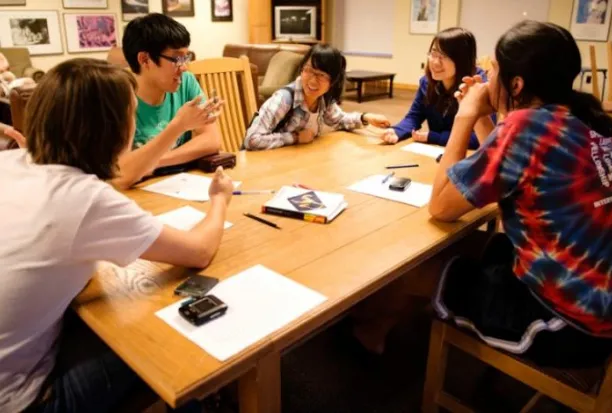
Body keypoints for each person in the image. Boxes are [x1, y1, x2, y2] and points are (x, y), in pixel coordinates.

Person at [0, 58, 234, 412]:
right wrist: (219, 200)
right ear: (111, 127)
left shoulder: (11, 163)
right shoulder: (85, 198)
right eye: (131, 113)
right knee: (166, 335)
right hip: (25, 401)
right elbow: (199, 251)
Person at [429, 20, 612, 367]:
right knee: (496, 247)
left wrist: (466, 115)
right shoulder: (585, 118)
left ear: (516, 84)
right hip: (603, 304)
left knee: (440, 266)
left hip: (567, 327)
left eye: (494, 71)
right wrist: (493, 117)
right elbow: (501, 171)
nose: (488, 80)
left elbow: (441, 205)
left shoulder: (527, 127)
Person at [116, 13, 224, 189]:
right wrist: (179, 125)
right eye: (177, 59)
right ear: (145, 60)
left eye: (186, 57)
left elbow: (211, 140)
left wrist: (150, 162)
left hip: (179, 186)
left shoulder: (185, 82)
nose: (184, 67)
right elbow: (121, 174)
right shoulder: (119, 97)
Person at [244, 44, 390, 151]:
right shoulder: (283, 99)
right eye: (308, 71)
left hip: (296, 163)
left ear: (333, 81)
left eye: (321, 75)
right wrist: (295, 137)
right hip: (268, 166)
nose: (313, 81)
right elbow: (252, 140)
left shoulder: (323, 98)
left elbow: (339, 120)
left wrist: (366, 117)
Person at [381, 27, 494, 150]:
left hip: (467, 155)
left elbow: (482, 138)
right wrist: (397, 131)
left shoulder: (478, 86)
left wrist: (434, 137)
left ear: (462, 59)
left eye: (444, 56)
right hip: (437, 152)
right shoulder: (427, 83)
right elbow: (414, 117)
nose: (435, 62)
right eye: (433, 53)